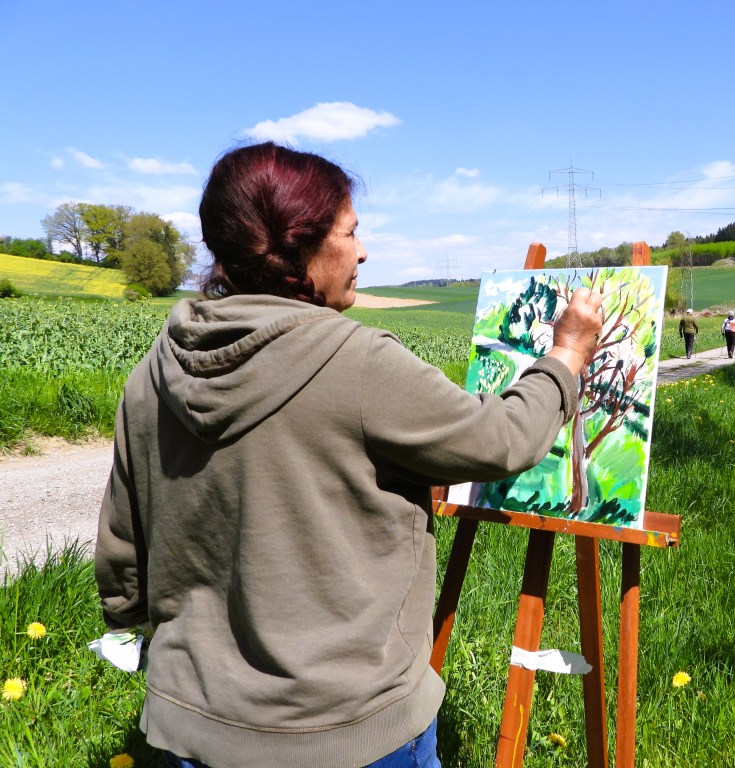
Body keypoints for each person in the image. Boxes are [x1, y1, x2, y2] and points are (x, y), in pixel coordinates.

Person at [94, 142, 605, 768]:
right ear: (299, 247)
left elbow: (124, 550)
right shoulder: (357, 361)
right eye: (350, 232)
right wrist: (567, 355)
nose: (362, 252)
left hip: (192, 724)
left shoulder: (154, 372)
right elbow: (503, 439)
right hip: (348, 729)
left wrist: (146, 631)